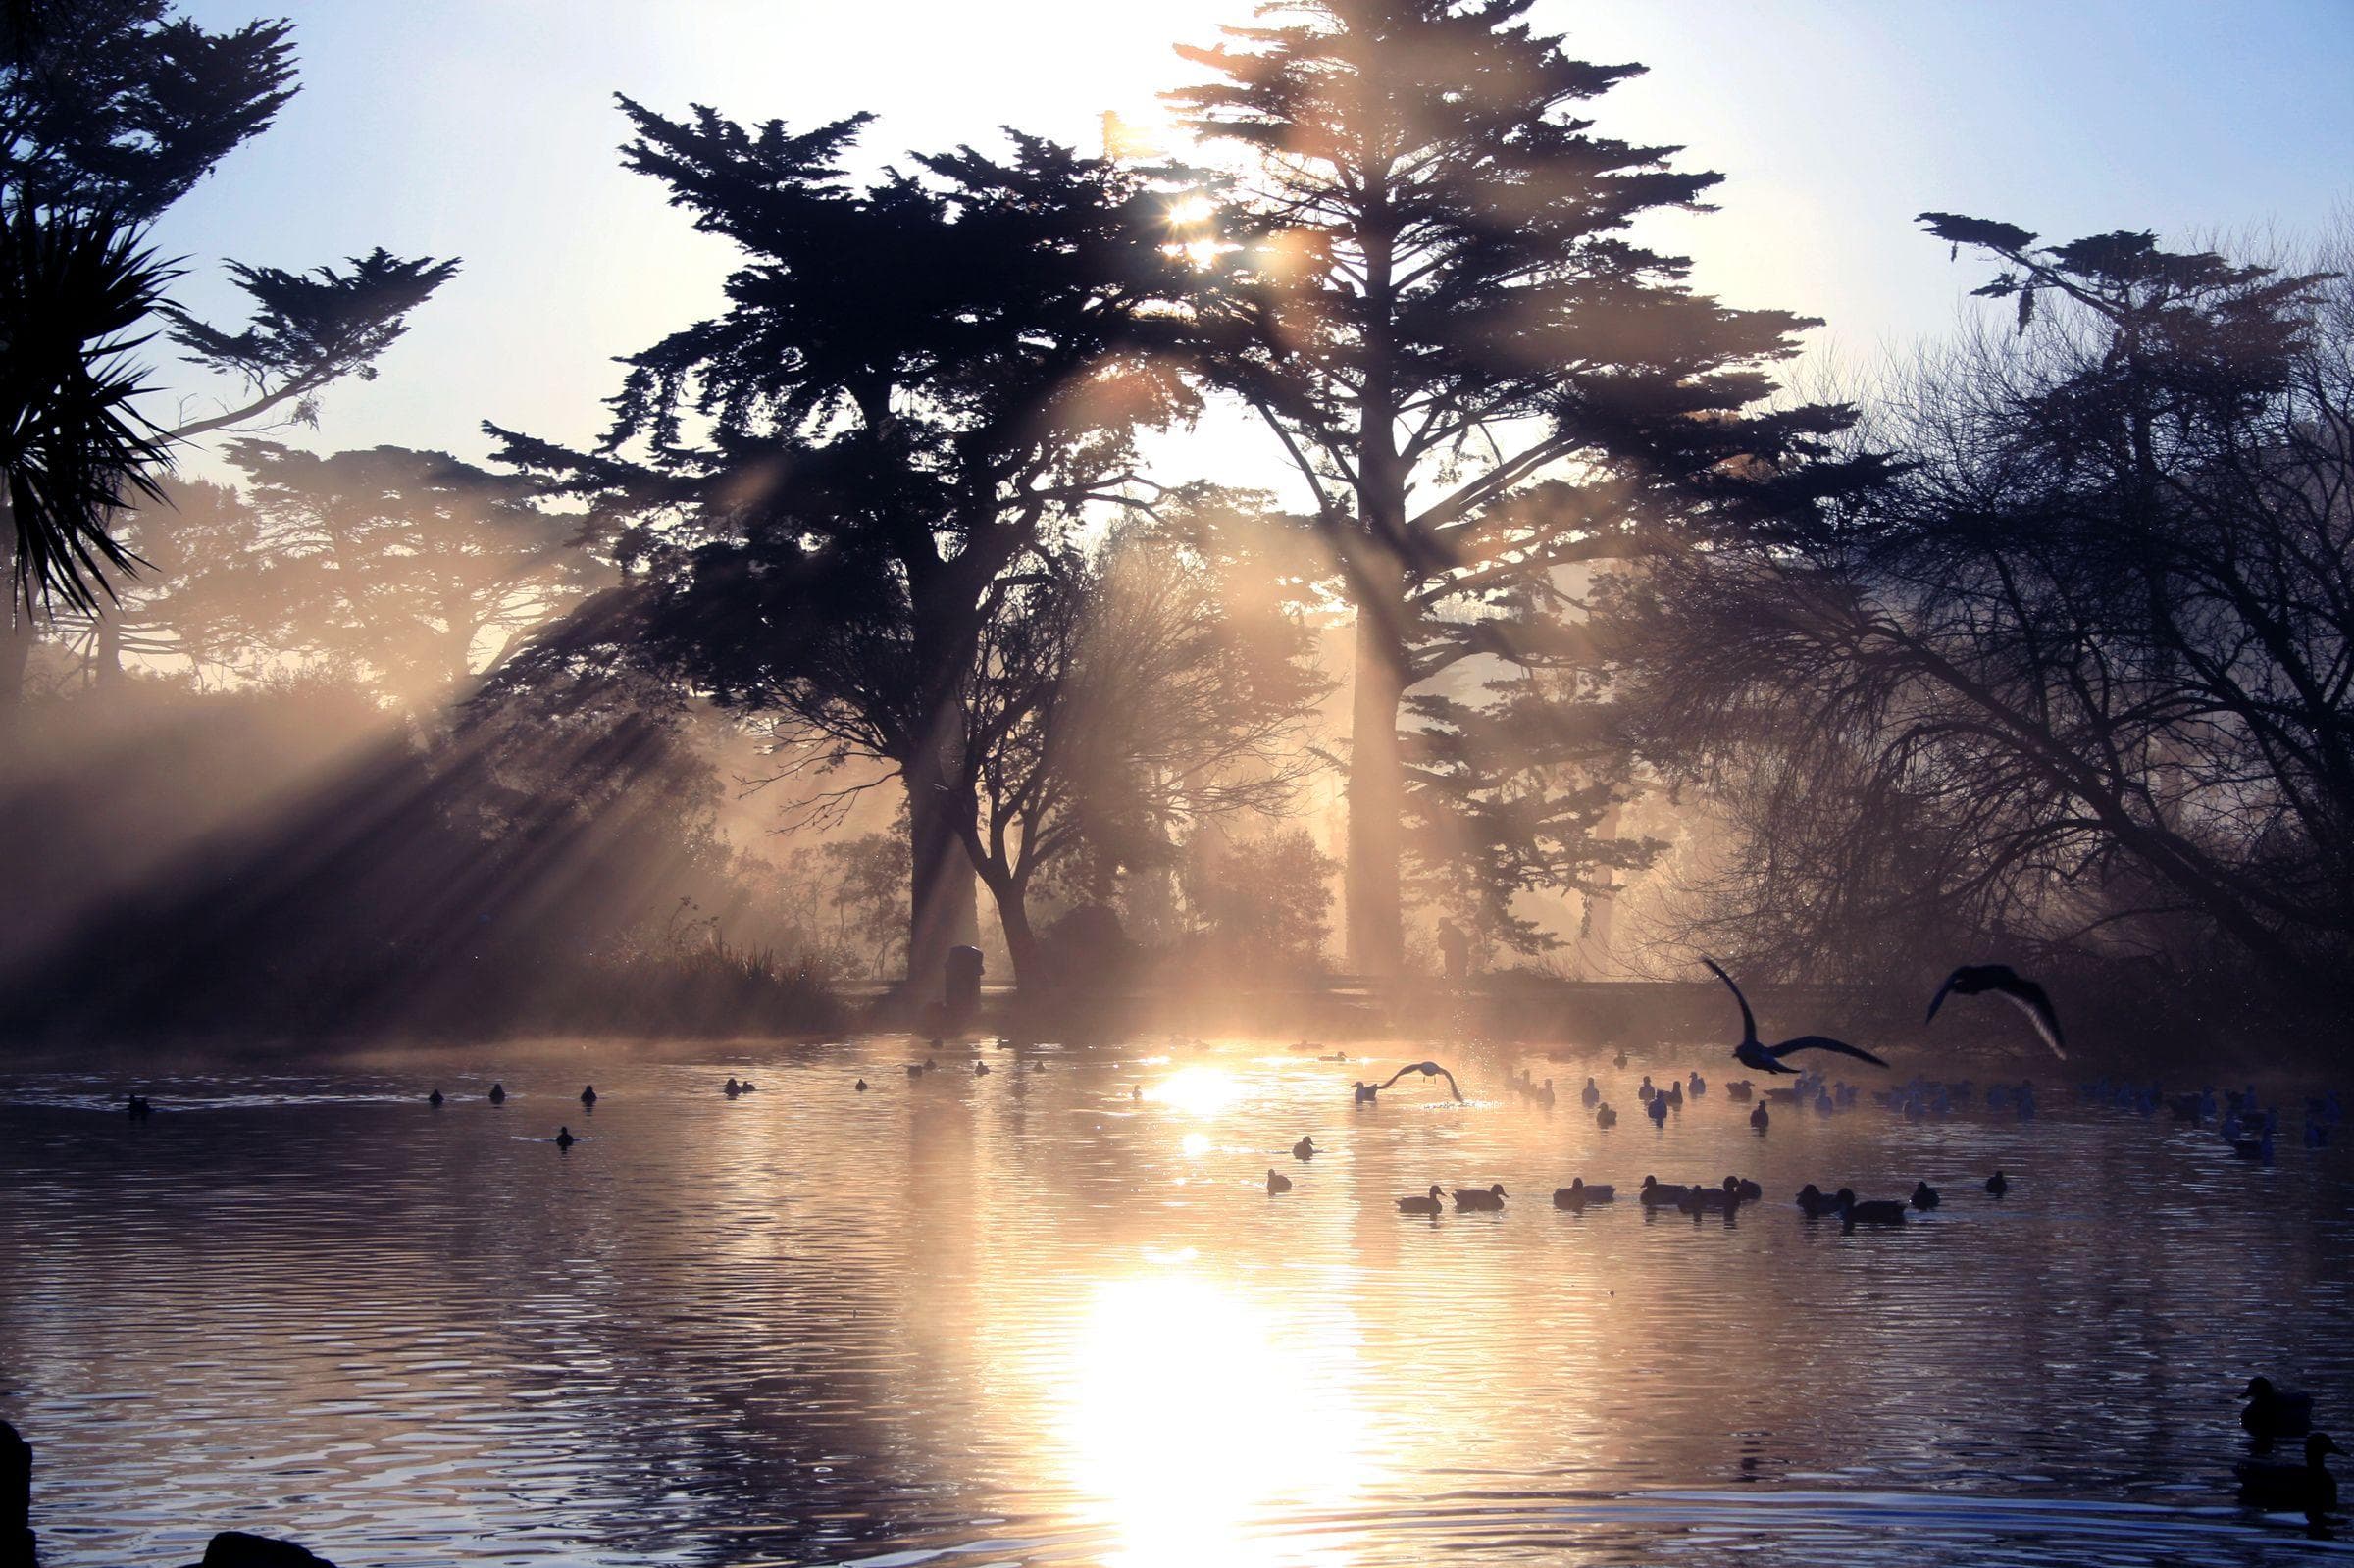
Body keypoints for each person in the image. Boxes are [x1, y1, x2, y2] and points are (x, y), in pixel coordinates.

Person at [946, 944, 985, 1032]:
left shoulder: (955, 967)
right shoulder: (977, 957)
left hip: (960, 987)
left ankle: (959, 1014)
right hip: (966, 986)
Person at [1437, 920, 1469, 985]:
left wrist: (1449, 947)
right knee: (1451, 970)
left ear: (1447, 925)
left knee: (1460, 972)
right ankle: (1453, 988)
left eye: (1443, 927)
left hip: (1460, 955)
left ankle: (1462, 989)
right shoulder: (1443, 933)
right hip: (1451, 955)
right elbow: (1441, 945)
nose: (1442, 929)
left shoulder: (1456, 932)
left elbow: (1463, 944)